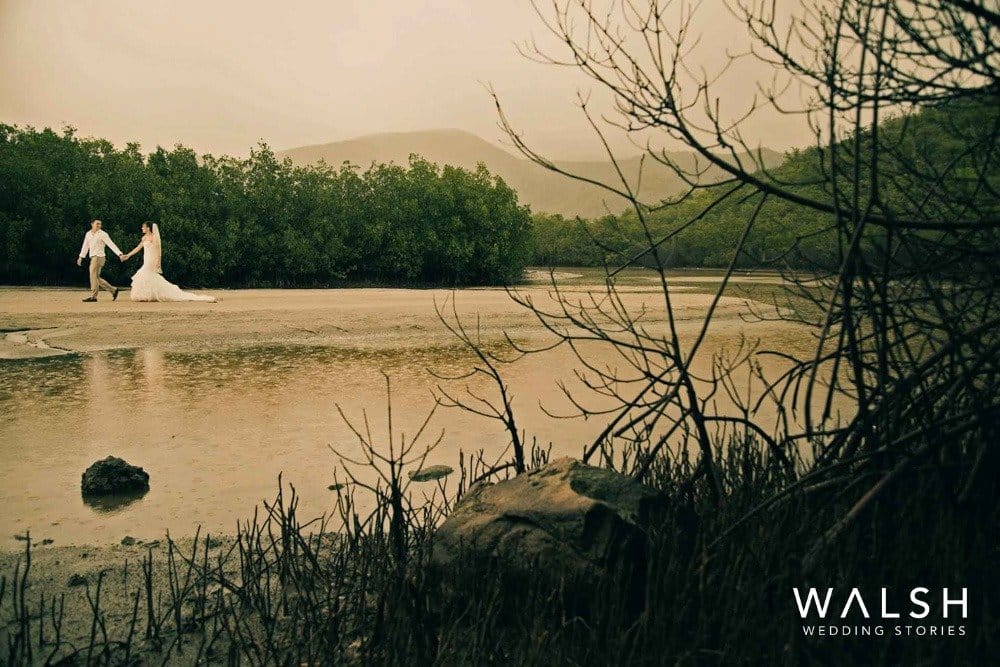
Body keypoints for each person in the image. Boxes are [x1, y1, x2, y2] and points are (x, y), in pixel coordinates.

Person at [121, 222, 217, 302]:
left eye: (143, 227)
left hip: (151, 260)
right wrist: (128, 255)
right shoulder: (145, 238)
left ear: (149, 228)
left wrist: (158, 261)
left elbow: (159, 250)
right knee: (149, 276)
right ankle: (149, 294)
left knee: (144, 273)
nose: (142, 228)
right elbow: (138, 248)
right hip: (146, 258)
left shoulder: (154, 237)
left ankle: (147, 295)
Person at [77, 219, 124, 302]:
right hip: (93, 257)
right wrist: (81, 257)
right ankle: (113, 290)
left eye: (100, 224)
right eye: (97, 224)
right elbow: (85, 246)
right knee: (96, 277)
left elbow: (111, 244)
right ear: (92, 224)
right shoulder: (88, 234)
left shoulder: (103, 234)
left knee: (92, 275)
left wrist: (119, 254)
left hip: (99, 257)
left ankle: (93, 296)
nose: (99, 225)